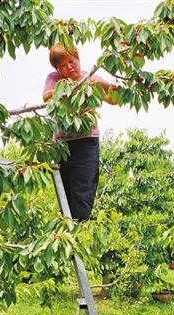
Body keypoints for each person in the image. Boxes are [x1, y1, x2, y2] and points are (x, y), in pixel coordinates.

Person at [43, 44, 117, 221]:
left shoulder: (90, 78)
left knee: (82, 193)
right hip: (62, 145)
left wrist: (103, 84)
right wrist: (73, 87)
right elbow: (46, 96)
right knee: (65, 193)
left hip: (86, 143)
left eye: (71, 61)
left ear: (78, 58)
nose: (69, 67)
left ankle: (80, 230)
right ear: (57, 69)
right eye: (62, 65)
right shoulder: (55, 79)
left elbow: (115, 99)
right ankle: (67, 232)